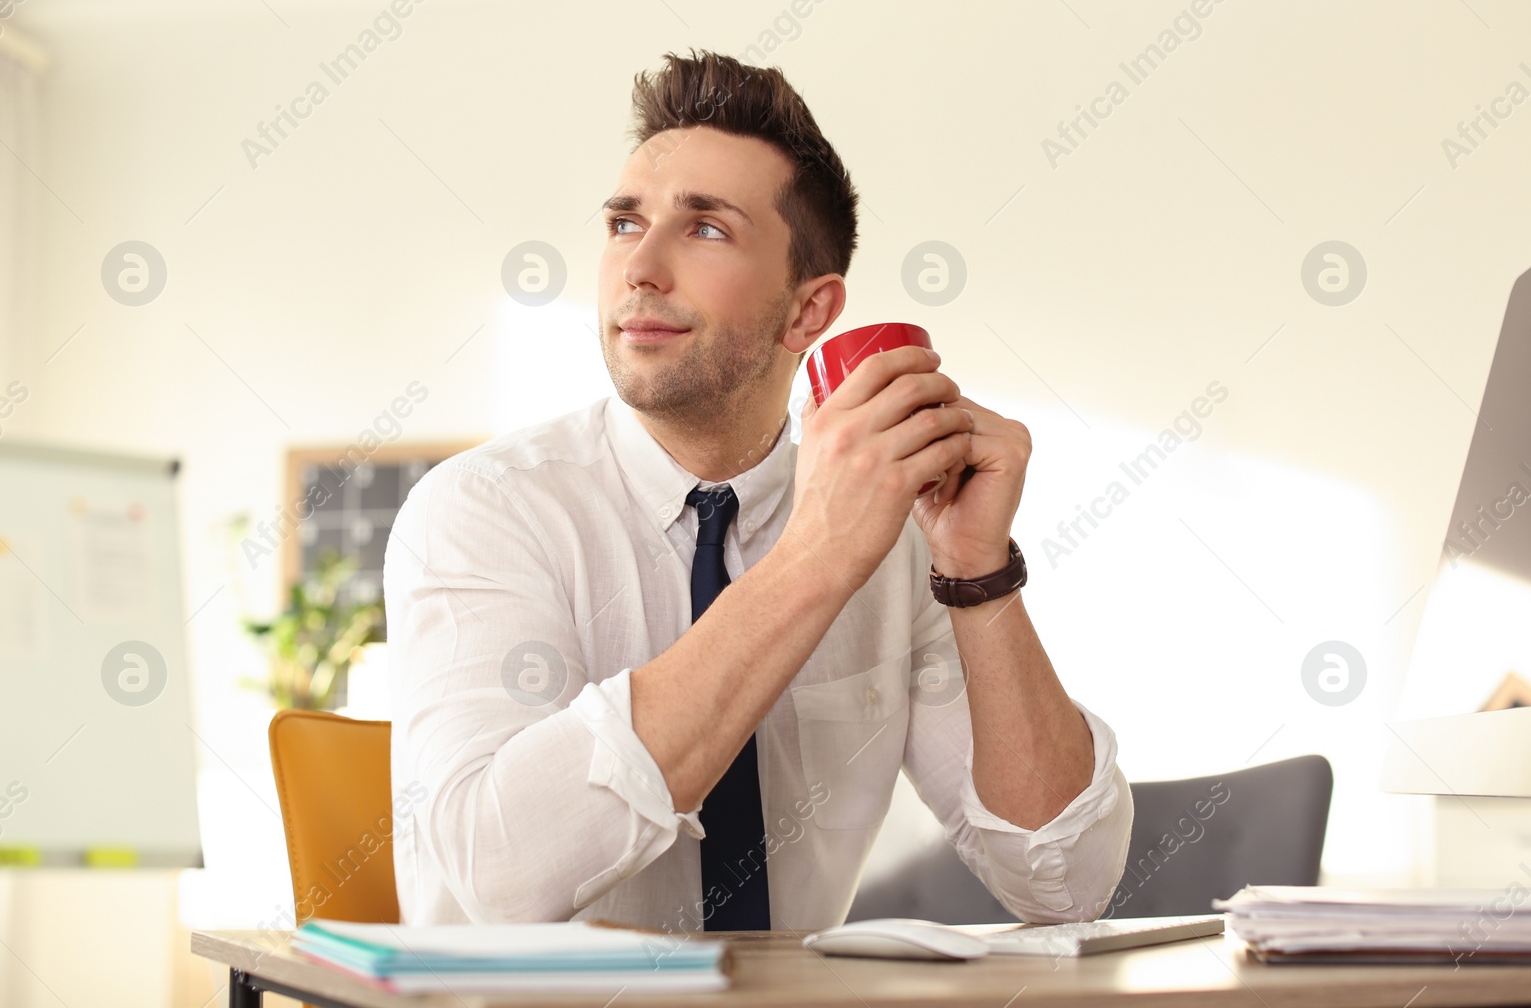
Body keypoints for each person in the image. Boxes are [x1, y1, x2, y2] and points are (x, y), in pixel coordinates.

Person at [385, 48, 1133, 932]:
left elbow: (1067, 885)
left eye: (705, 229)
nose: (640, 268)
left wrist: (976, 573)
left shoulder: (894, 540)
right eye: (626, 224)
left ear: (809, 312)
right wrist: (812, 562)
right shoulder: (483, 511)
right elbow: (497, 876)